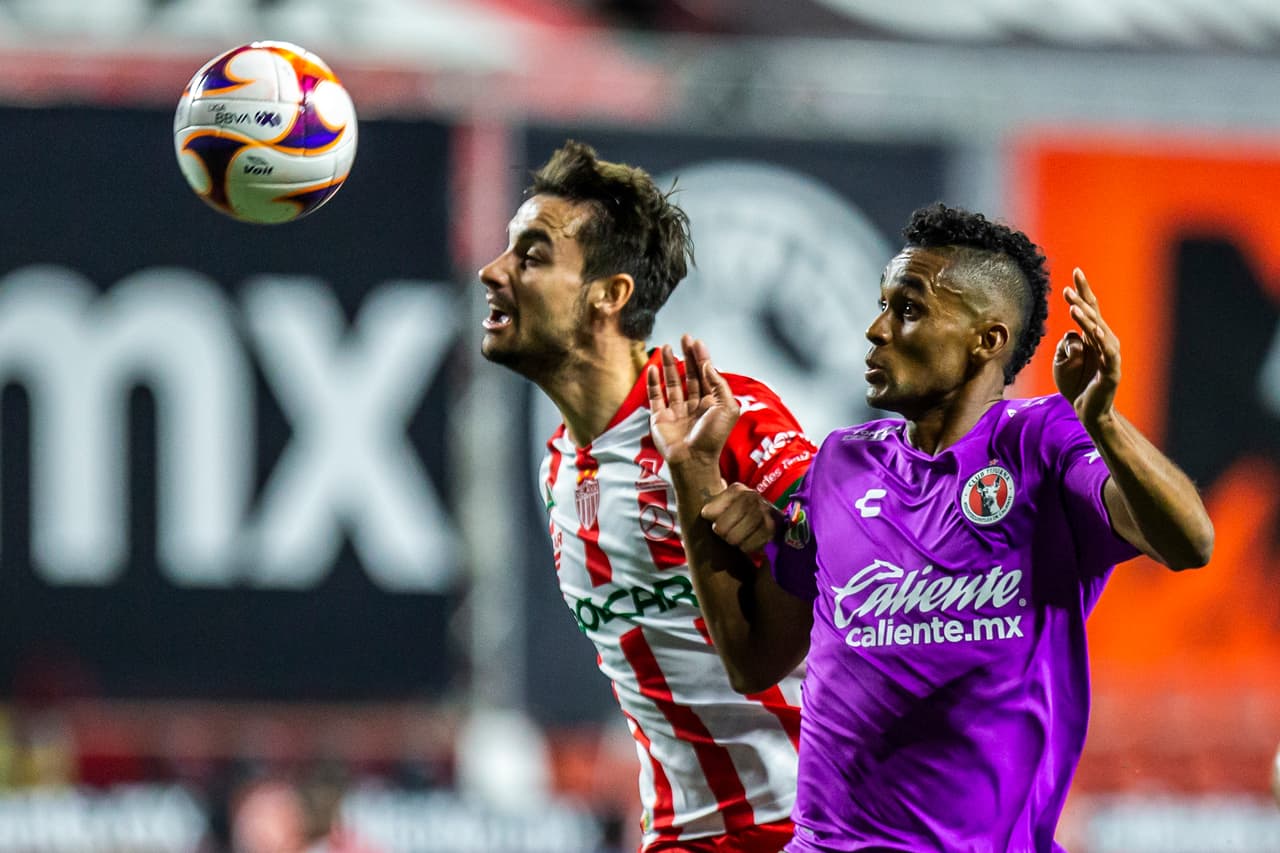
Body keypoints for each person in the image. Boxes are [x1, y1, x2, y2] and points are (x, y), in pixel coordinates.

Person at [648, 203, 1214, 851]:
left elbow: (1190, 541)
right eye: (882, 305)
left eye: (907, 309)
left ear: (987, 339)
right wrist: (693, 472)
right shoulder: (839, 463)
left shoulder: (1041, 444)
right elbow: (753, 658)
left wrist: (1103, 423)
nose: (874, 329)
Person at [478, 140, 817, 852]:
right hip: (681, 837)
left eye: (532, 256)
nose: (493, 272)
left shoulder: (726, 419)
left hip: (808, 829)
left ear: (610, 293)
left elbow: (864, 572)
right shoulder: (559, 471)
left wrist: (784, 532)